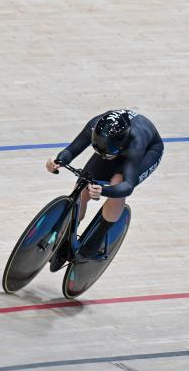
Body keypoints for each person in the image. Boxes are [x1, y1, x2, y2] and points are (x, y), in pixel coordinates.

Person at [44, 109, 163, 263]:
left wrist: (104, 190)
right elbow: (71, 150)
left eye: (108, 153)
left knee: (118, 181)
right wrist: (58, 161)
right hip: (113, 145)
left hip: (147, 152)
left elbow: (127, 186)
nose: (104, 156)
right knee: (83, 186)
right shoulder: (95, 126)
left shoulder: (136, 141)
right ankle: (67, 233)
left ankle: (99, 234)